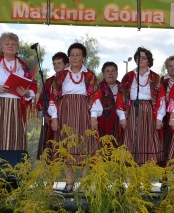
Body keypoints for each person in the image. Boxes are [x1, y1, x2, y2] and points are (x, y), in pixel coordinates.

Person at [49, 42, 102, 193]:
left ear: (83, 57)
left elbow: (95, 96)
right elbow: (54, 97)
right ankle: (69, 183)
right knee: (66, 146)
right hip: (65, 112)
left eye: (78, 55)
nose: (74, 57)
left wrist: (93, 116)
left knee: (85, 146)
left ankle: (84, 184)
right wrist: (54, 117)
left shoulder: (90, 75)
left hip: (84, 113)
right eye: (72, 55)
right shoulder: (61, 75)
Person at [0, 32, 38, 151]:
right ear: (1, 47)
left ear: (17, 49)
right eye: (7, 43)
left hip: (17, 107)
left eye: (14, 44)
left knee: (15, 138)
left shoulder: (23, 66)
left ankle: (14, 162)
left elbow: (32, 86)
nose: (10, 46)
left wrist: (27, 93)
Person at [117, 47, 163, 165]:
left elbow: (161, 98)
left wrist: (159, 118)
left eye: (143, 58)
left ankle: (147, 171)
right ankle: (131, 170)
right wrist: (122, 117)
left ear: (149, 60)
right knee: (132, 137)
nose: (140, 60)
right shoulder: (128, 76)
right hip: (132, 109)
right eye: (138, 57)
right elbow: (121, 96)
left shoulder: (155, 77)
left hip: (149, 110)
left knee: (148, 138)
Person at [36, 52, 68, 158]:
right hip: (50, 117)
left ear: (66, 64)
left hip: (67, 115)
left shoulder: (70, 79)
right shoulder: (49, 81)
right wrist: (44, 114)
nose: (56, 66)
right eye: (54, 63)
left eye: (59, 63)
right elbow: (42, 99)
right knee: (50, 144)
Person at [159, 55, 174, 166]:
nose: (172, 68)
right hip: (165, 115)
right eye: (170, 66)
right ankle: (165, 168)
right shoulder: (162, 81)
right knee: (165, 140)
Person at [97, 61, 120, 143]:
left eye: (113, 71)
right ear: (103, 74)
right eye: (107, 71)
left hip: (120, 123)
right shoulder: (97, 88)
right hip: (101, 123)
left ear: (117, 73)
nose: (110, 73)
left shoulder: (123, 88)